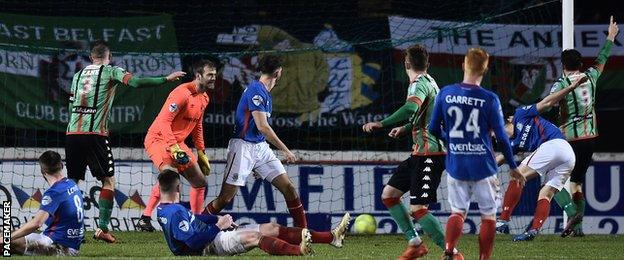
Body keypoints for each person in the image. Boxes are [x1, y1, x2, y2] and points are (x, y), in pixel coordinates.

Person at [65, 40, 185, 242]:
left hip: (72, 133)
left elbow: (70, 107)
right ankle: (102, 228)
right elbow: (136, 83)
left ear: (91, 57)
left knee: (73, 183)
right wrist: (166, 78)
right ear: (108, 57)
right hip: (95, 134)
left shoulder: (77, 76)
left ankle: (72, 229)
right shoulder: (110, 71)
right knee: (108, 181)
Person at [428, 48, 523, 260]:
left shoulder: (445, 93)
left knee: (457, 212)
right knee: (488, 216)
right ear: (486, 69)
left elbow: (433, 128)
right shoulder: (490, 99)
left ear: (464, 65)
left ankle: (449, 250)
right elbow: (502, 137)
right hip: (483, 165)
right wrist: (514, 167)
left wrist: (450, 140)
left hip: (457, 164)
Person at [362, 44, 447, 259]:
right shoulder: (431, 82)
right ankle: (415, 242)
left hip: (430, 153)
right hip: (420, 153)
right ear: (427, 63)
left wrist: (380, 124)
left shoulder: (417, 84)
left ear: (406, 63)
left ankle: (452, 252)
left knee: (418, 208)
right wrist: (406, 128)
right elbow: (425, 116)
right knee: (389, 195)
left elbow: (411, 108)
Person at [204, 55, 308, 229]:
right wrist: (285, 151)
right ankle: (197, 224)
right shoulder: (256, 91)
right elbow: (263, 127)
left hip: (260, 148)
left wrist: (258, 164)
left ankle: (303, 233)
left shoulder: (265, 92)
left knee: (288, 188)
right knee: (225, 198)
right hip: (243, 147)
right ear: (278, 72)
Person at [156, 169, 350, 256]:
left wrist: (216, 218)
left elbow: (194, 218)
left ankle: (331, 237)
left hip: (213, 234)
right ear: (179, 187)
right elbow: (192, 243)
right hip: (209, 245)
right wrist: (217, 226)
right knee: (255, 237)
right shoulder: (174, 213)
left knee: (272, 228)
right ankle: (298, 250)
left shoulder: (166, 209)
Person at [549, 16, 619, 237]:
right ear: (580, 64)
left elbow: (549, 106)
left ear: (563, 65)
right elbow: (602, 58)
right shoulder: (591, 77)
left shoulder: (561, 84)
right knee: (576, 183)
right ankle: (577, 229)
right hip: (590, 138)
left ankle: (571, 212)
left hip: (569, 139)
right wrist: (610, 37)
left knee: (553, 178)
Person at [495, 77, 588, 241]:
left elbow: (547, 102)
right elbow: (499, 159)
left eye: (494, 132)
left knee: (517, 175)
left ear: (508, 119)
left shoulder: (520, 114)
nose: (495, 137)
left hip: (555, 144)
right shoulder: (513, 144)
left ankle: (502, 220)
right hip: (566, 155)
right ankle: (535, 230)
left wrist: (571, 87)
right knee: (546, 192)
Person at [138, 59, 216, 232]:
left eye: (215, 75)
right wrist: (174, 148)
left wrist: (201, 151)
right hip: (158, 138)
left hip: (177, 142)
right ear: (198, 76)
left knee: (200, 181)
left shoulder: (204, 98)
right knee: (171, 177)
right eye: (209, 75)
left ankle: (196, 221)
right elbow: (165, 122)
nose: (213, 78)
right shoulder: (181, 93)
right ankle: (145, 218)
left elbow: (198, 125)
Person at [10, 151, 84, 256]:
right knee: (9, 235)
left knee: (8, 241)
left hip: (60, 247)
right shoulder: (71, 184)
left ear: (43, 171)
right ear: (62, 165)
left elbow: (37, 223)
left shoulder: (54, 192)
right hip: (67, 244)